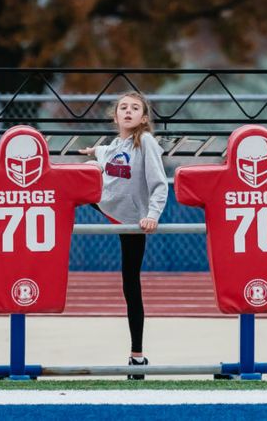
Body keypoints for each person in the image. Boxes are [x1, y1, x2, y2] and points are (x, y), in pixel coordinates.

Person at [79, 91, 168, 380]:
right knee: (85, 171)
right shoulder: (113, 145)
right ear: (115, 116)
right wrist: (94, 154)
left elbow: (159, 185)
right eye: (123, 108)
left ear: (143, 118)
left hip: (132, 219)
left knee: (130, 284)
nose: (128, 111)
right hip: (106, 203)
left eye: (135, 108)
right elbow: (106, 154)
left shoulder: (147, 143)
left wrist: (152, 216)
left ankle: (137, 356)